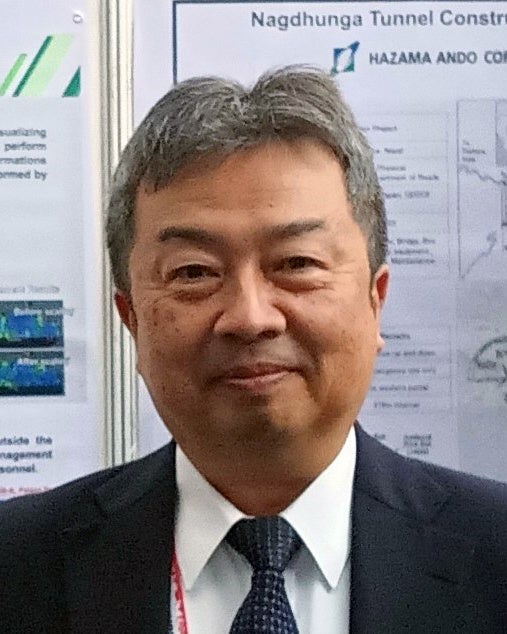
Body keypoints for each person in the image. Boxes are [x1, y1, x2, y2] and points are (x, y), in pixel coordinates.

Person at [0, 66, 506, 634]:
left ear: (375, 299)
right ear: (132, 318)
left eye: (297, 263)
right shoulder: (18, 567)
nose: (250, 317)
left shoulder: (494, 553)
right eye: (194, 272)